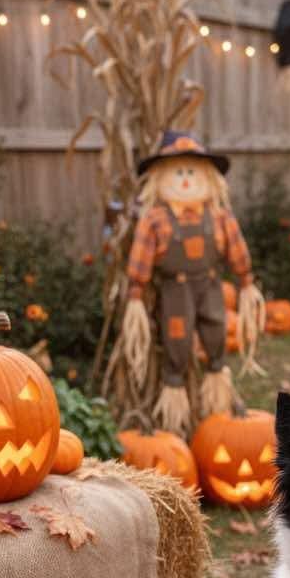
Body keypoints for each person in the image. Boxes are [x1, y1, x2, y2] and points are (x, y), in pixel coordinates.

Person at [122, 130, 265, 433]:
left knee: (216, 326)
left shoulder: (219, 216)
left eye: (191, 171)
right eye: (178, 172)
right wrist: (135, 290)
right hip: (176, 287)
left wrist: (245, 280)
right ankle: (174, 401)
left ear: (209, 178)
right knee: (177, 334)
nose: (186, 179)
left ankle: (216, 390)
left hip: (209, 283)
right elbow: (141, 257)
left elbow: (237, 250)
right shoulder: (155, 219)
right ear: (159, 179)